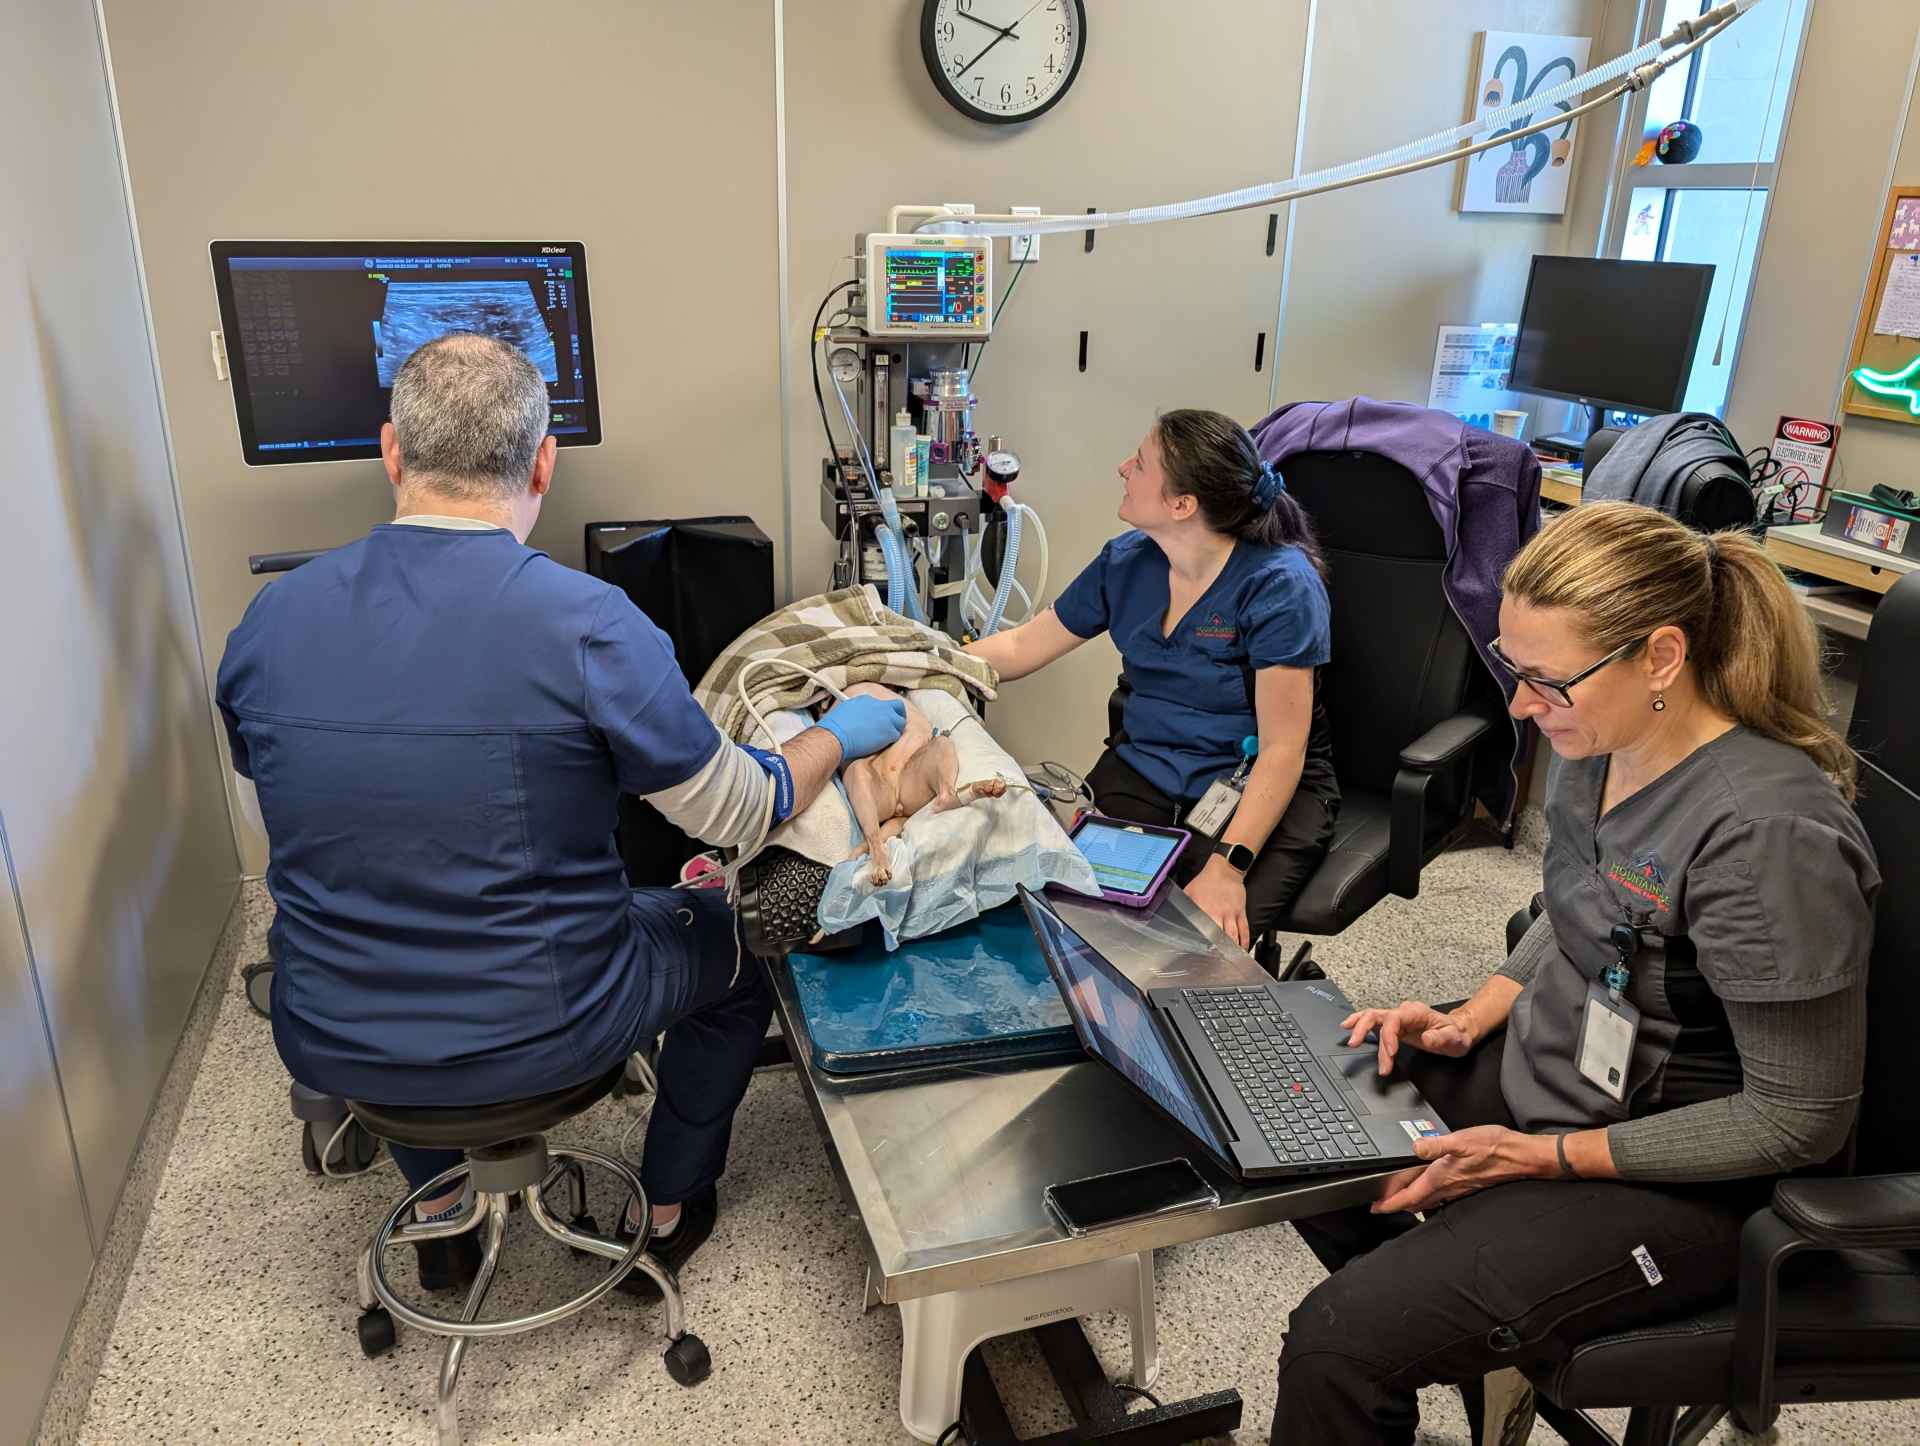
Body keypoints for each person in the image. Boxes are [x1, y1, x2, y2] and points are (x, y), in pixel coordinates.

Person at [216, 333, 906, 1294]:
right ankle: (667, 1207)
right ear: (544, 462)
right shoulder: (589, 623)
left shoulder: (272, 620)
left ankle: (444, 1208)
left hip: (333, 1031)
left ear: (390, 452)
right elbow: (742, 812)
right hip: (551, 1028)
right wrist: (844, 733)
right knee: (736, 958)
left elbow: (281, 809)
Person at [1270, 502, 1878, 1445]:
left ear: (1662, 659)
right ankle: (1477, 1326)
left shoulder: (1766, 839)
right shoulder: (1602, 741)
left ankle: (1453, 1309)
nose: (1520, 706)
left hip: (1691, 1170)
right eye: (1515, 671)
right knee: (1310, 1125)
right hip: (1567, 1078)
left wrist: (1540, 1161)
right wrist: (1476, 1012)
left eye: (1546, 681)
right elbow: (1575, 905)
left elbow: (1800, 1118)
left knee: (1336, 1348)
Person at [965, 409, 1336, 948]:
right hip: (1149, 766)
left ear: (1182, 505)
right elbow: (1023, 645)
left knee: (1199, 944)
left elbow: (1282, 749)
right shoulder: (1128, 562)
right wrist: (929, 661)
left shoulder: (1280, 586)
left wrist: (1229, 868)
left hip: (1258, 785)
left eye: (1139, 464)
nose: (1122, 468)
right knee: (1073, 919)